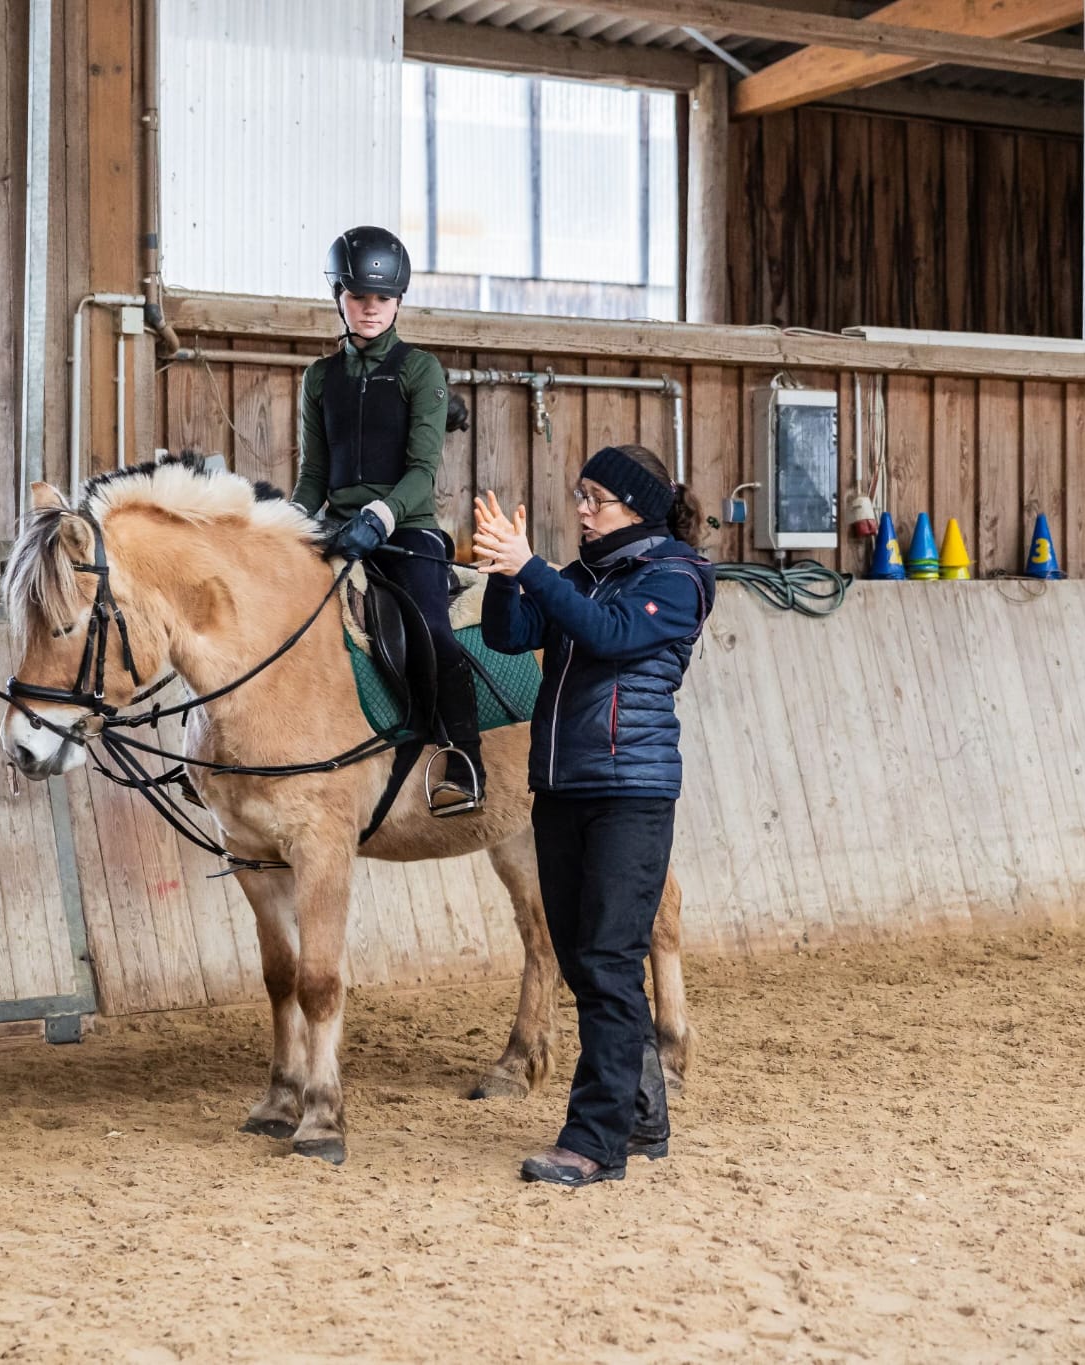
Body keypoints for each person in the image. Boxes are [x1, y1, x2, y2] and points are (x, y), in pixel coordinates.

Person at [472, 443, 715, 1187]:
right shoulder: (585, 574)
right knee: (585, 960)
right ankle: (640, 1113)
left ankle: (594, 1140)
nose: (581, 508)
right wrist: (502, 573)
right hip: (564, 783)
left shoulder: (676, 577)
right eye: (579, 494)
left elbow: (607, 634)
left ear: (636, 507)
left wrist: (533, 569)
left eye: (595, 498)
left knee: (609, 960)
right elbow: (509, 636)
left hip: (630, 791)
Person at [293, 225, 483, 815]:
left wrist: (379, 517)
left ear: (398, 301)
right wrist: (289, 522)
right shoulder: (319, 379)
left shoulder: (420, 369)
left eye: (381, 299)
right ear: (339, 297)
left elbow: (422, 472)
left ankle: (463, 757)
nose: (370, 309)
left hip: (406, 530)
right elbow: (313, 475)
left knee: (430, 626)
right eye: (357, 296)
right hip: (338, 530)